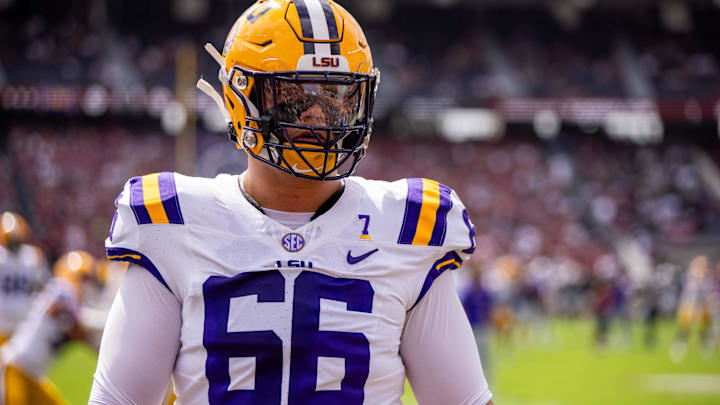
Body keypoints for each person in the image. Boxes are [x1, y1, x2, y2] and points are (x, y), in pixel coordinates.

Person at [89, 1, 493, 404]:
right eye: (294, 94)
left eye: (337, 96)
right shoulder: (174, 225)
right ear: (239, 98)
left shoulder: (407, 229)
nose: (317, 117)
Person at [1, 250, 102, 404]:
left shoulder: (66, 300)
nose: (86, 285)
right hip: (16, 368)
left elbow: (79, 332)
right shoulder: (62, 291)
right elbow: (77, 327)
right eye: (84, 278)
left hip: (32, 374)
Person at [0, 211, 49, 347]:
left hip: (6, 318)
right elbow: (40, 286)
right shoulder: (32, 255)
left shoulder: (31, 256)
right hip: (21, 316)